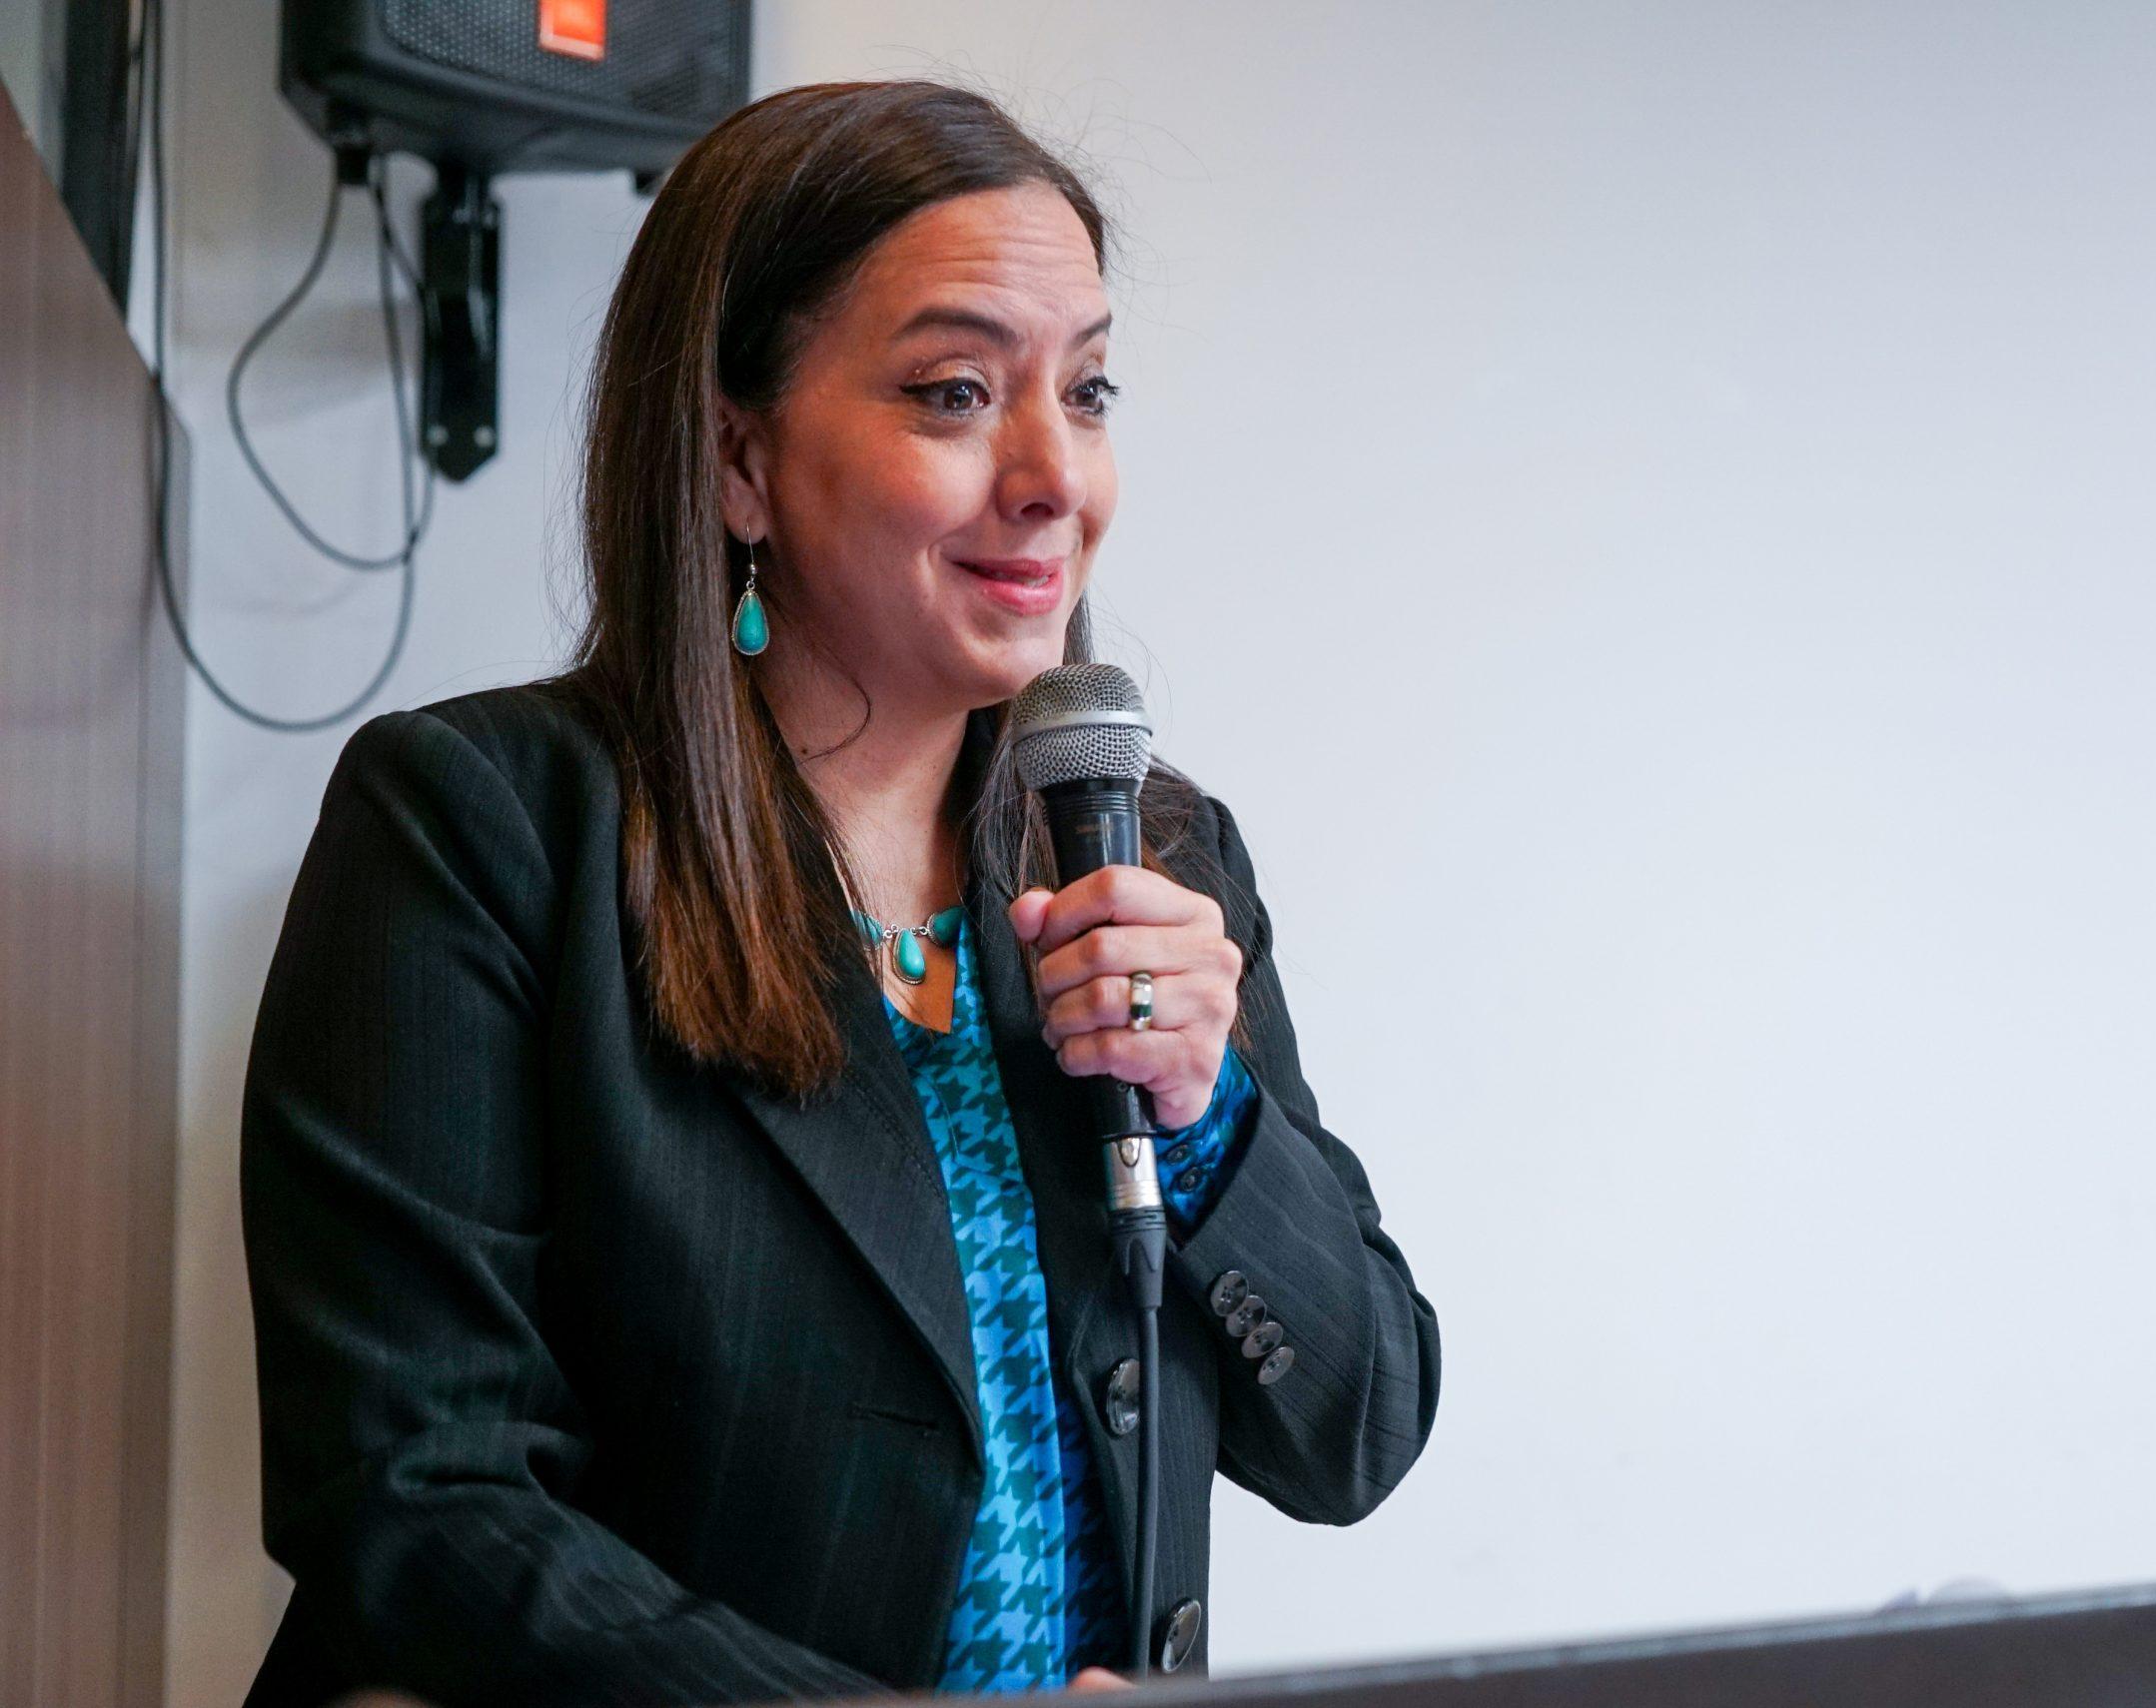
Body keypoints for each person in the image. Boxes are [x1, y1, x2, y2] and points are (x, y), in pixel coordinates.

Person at [237, 80, 1440, 1705]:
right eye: (956, 393)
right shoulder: (480, 828)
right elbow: (416, 1499)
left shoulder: (1152, 850)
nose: (1055, 475)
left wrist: (1205, 1107)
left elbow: (1356, 1433)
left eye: (1088, 390)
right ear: (739, 459)